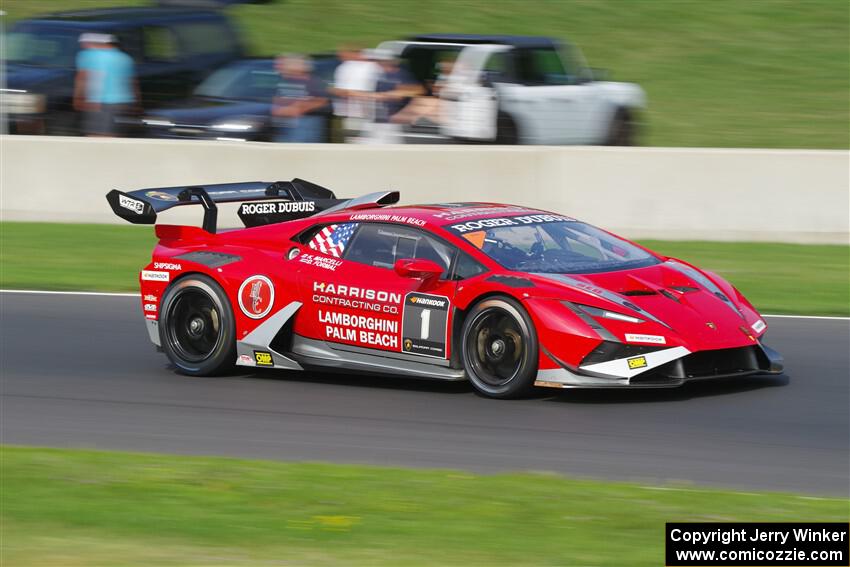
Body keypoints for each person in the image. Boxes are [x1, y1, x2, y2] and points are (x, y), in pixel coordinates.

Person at [73, 33, 138, 137]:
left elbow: (83, 78)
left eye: (85, 43)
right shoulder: (126, 58)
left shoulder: (89, 55)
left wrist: (78, 98)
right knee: (117, 136)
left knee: (96, 136)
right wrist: (136, 104)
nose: (84, 46)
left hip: (101, 103)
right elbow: (133, 82)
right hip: (125, 103)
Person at [271, 54, 330, 143]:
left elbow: (322, 100)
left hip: (304, 126)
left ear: (295, 67)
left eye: (282, 65)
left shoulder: (313, 81)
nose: (277, 68)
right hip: (283, 125)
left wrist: (299, 108)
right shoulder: (285, 81)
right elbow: (278, 100)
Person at [328, 45, 381, 141]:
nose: (341, 56)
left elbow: (362, 92)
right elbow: (340, 90)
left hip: (365, 112)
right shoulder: (344, 67)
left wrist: (347, 92)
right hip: (348, 112)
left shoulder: (371, 67)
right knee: (352, 139)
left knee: (364, 140)